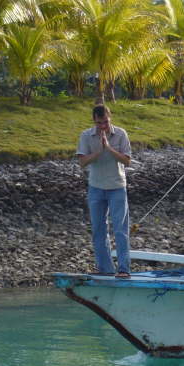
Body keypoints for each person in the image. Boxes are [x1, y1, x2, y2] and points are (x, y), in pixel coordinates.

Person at [76, 104, 132, 278]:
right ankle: (105, 268)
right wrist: (99, 151)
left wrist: (109, 148)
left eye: (106, 122)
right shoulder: (86, 136)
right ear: (94, 120)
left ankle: (123, 269)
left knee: (120, 230)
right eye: (99, 123)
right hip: (96, 187)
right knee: (99, 229)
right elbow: (83, 162)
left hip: (117, 187)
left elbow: (127, 161)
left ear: (110, 118)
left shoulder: (121, 134)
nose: (103, 126)